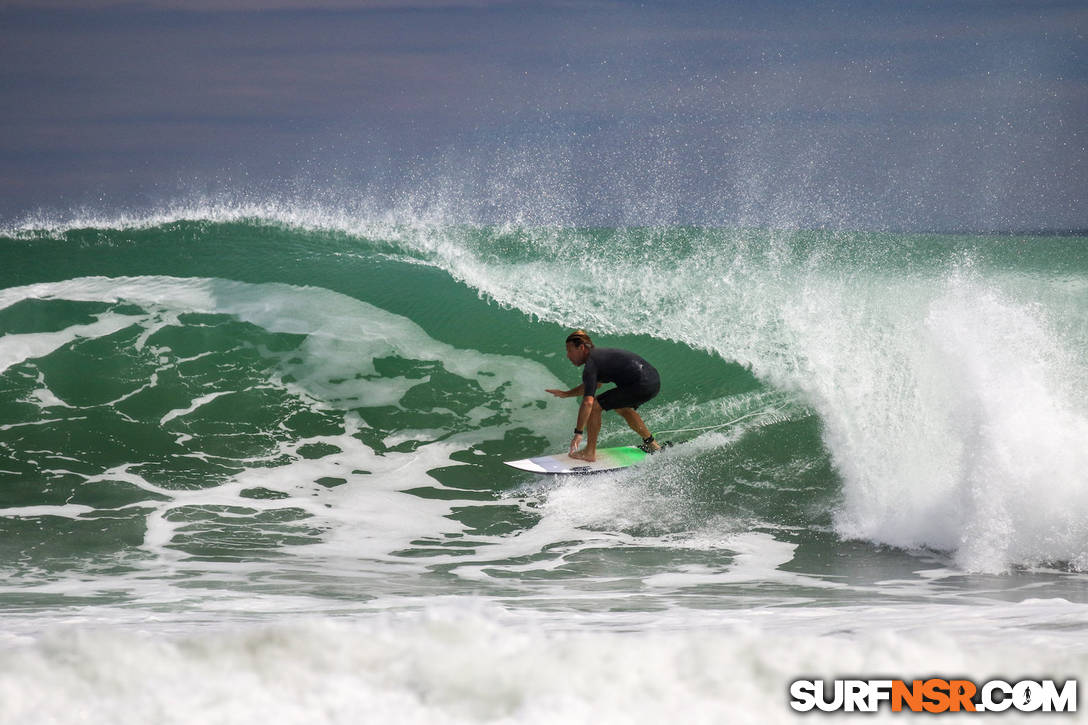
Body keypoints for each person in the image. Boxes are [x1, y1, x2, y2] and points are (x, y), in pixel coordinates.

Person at [545, 330, 662, 462]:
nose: (568, 355)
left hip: (641, 384)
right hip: (653, 380)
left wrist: (578, 433)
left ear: (581, 348)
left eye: (570, 351)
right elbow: (595, 385)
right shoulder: (599, 357)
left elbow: (588, 403)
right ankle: (651, 444)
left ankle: (589, 452)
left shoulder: (591, 365)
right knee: (622, 408)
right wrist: (566, 394)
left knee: (595, 406)